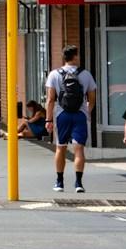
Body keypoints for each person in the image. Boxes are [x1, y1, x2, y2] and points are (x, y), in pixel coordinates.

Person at [45, 45, 98, 193]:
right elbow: (92, 98)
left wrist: (48, 120)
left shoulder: (54, 74)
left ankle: (59, 182)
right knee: (79, 149)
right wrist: (87, 111)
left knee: (60, 147)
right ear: (75, 56)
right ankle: (78, 183)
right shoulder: (86, 74)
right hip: (80, 115)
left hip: (62, 115)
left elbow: (50, 99)